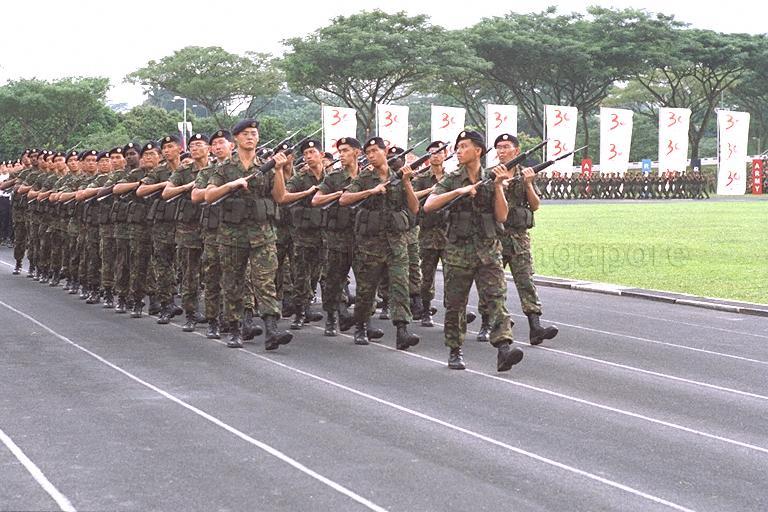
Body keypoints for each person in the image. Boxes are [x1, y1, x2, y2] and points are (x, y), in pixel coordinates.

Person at [423, 130, 524, 372]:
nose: (459, 150)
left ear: (478, 151)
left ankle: (503, 349)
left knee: (496, 300)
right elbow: (429, 205)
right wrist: (458, 192)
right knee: (456, 304)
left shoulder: (491, 177)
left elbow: (502, 215)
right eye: (457, 147)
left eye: (464, 146)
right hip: (458, 252)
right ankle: (454, 349)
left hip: (488, 250)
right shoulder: (452, 179)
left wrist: (499, 187)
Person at [205, 118, 293, 350]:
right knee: (233, 282)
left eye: (253, 133)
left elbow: (280, 197)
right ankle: (235, 328)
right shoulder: (224, 168)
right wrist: (231, 185)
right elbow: (209, 195)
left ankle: (271, 330)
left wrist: (279, 170)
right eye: (244, 133)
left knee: (265, 282)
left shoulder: (266, 165)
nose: (250, 137)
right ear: (236, 139)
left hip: (263, 233)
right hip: (232, 235)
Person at [339, 136, 420, 349]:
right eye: (368, 152)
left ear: (386, 151)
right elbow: (344, 199)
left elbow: (414, 208)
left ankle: (402, 330)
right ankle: (361, 327)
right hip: (371, 244)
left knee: (400, 287)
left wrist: (407, 183)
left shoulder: (399, 176)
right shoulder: (365, 177)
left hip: (396, 242)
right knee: (367, 289)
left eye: (375, 150)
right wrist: (370, 191)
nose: (372, 155)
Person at [493, 133, 558, 346]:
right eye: (499, 147)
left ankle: (535, 327)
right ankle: (492, 324)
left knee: (526, 282)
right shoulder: (490, 174)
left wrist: (529, 184)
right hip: (496, 238)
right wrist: (498, 186)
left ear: (516, 150)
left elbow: (535, 205)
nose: (501, 151)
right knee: (493, 285)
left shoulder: (525, 174)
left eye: (506, 146)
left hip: (519, 238)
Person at [163, 133, 207, 332]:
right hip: (188, 229)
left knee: (215, 273)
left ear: (208, 148)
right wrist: (187, 187)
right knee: (190, 274)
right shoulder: (183, 170)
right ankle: (191, 313)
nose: (195, 148)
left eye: (199, 145)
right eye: (192, 145)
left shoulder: (216, 168)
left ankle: (220, 315)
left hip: (212, 227)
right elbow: (167, 193)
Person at [412, 140, 449, 327]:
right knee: (426, 275)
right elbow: (411, 196)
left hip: (449, 233)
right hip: (427, 232)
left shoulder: (452, 177)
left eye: (439, 152)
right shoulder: (421, 178)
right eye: (432, 152)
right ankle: (425, 310)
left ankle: (453, 311)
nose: (436, 155)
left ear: (445, 154)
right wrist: (430, 191)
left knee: (453, 276)